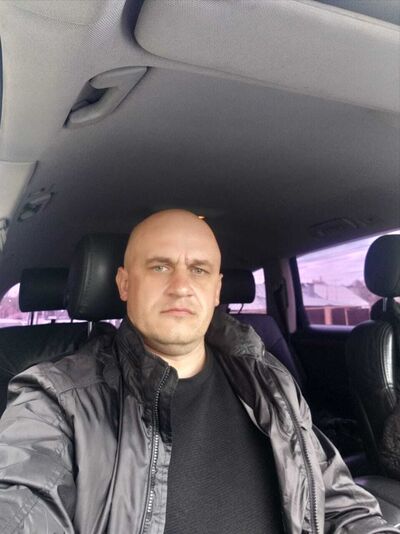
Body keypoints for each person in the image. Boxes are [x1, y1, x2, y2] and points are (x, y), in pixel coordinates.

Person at [0, 209, 398, 534]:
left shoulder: (269, 381)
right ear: (124, 283)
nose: (181, 286)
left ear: (217, 289)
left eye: (200, 270)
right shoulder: (56, 401)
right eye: (159, 267)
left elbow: (336, 503)